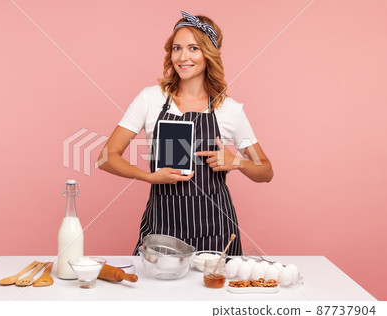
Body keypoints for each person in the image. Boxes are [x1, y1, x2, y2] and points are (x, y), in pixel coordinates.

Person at [98, 11, 273, 256]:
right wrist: (148, 177)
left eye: (193, 48)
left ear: (208, 54)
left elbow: (266, 171)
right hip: (162, 230)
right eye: (177, 48)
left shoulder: (230, 110)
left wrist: (238, 162)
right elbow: (106, 157)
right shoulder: (150, 99)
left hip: (217, 232)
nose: (183, 57)